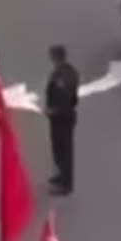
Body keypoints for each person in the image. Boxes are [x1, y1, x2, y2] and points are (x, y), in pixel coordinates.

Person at [44, 44, 79, 195]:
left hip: (61, 117)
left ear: (56, 56)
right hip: (62, 115)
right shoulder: (69, 71)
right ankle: (61, 176)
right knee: (59, 149)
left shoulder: (61, 75)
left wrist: (54, 110)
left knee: (63, 150)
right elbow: (74, 98)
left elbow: (64, 98)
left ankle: (66, 184)